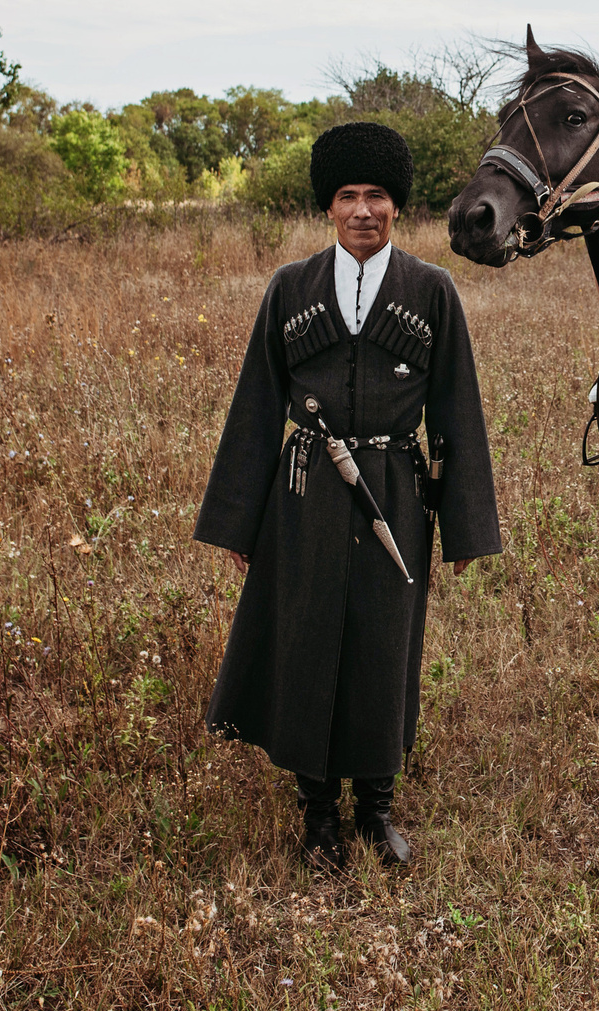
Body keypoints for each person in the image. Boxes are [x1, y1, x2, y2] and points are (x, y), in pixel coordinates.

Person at [192, 121, 501, 869]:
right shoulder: (290, 289)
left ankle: (376, 809)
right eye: (347, 196)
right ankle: (318, 816)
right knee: (305, 642)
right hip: (304, 494)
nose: (363, 210)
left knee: (384, 642)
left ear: (399, 206)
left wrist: (461, 526)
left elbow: (457, 408)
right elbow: (257, 405)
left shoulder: (432, 291)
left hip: (396, 490)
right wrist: (242, 518)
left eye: (377, 196)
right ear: (328, 207)